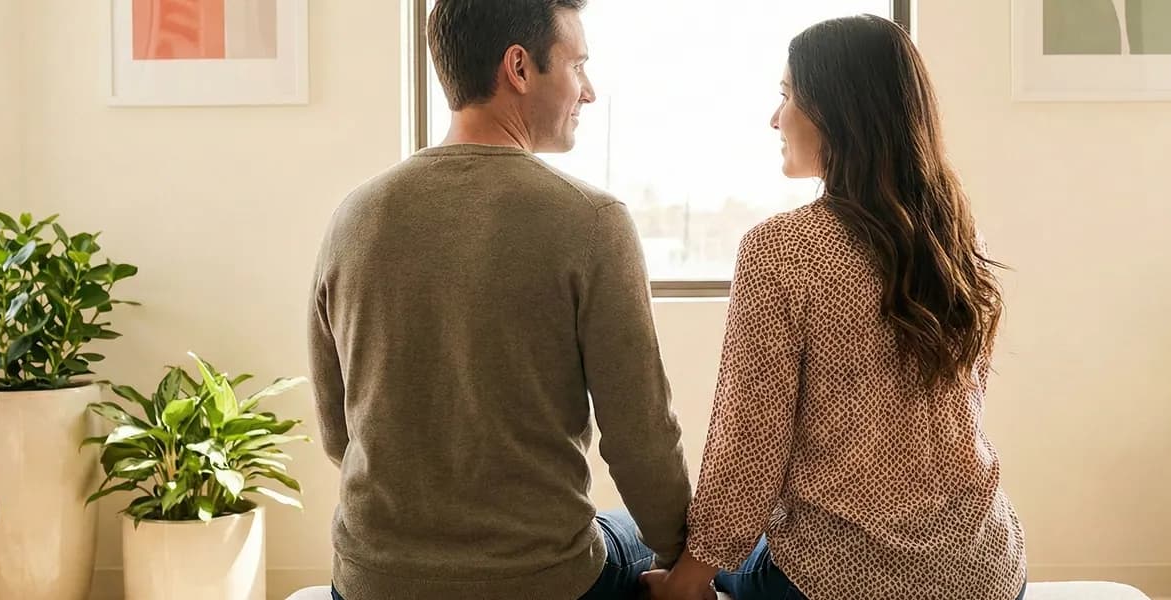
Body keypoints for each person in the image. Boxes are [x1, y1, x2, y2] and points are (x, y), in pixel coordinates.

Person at [306, 1, 692, 598]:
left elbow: (339, 434)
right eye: (578, 66)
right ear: (519, 66)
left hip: (370, 581)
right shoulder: (592, 220)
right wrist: (683, 563)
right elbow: (639, 438)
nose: (587, 92)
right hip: (541, 580)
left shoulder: (354, 216)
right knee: (642, 540)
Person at [642, 14, 1027, 600]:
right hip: (985, 571)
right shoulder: (952, 236)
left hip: (839, 578)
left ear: (837, 111)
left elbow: (751, 441)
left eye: (787, 95)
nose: (775, 117)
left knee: (631, 546)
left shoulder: (781, 248)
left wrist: (692, 573)